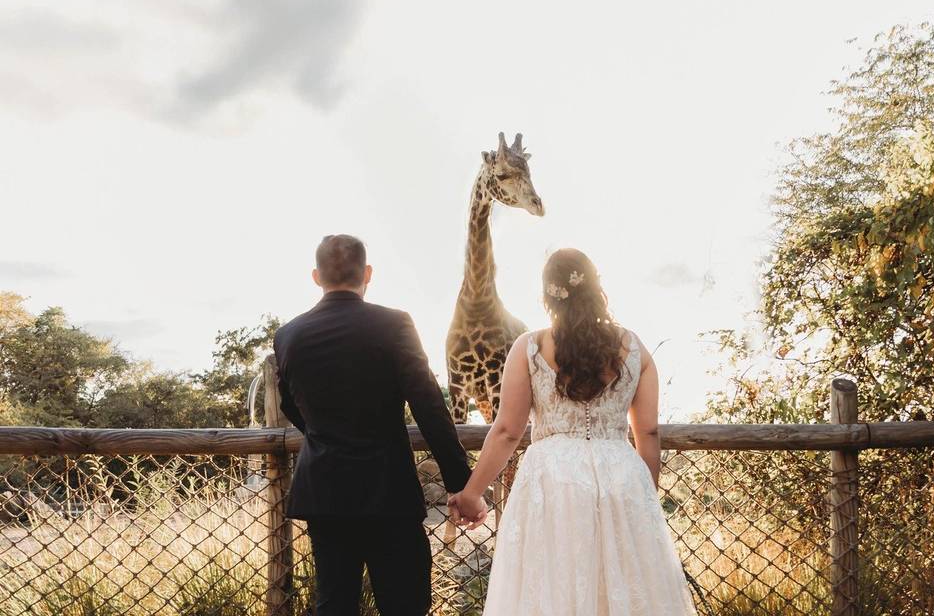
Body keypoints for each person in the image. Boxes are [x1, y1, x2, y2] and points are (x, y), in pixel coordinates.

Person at [448, 248, 696, 615]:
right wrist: (644, 495)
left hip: (552, 481)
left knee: (552, 587)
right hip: (621, 476)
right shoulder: (634, 348)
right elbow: (648, 433)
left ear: (547, 295)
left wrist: (471, 493)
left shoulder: (530, 347)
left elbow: (506, 431)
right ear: (596, 288)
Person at [273, 234, 472, 616]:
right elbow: (429, 405)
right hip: (389, 492)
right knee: (405, 605)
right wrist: (460, 483)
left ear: (316, 277)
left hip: (325, 493)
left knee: (334, 604)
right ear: (367, 273)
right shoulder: (394, 324)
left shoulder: (288, 335)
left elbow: (291, 407)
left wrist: (322, 432)